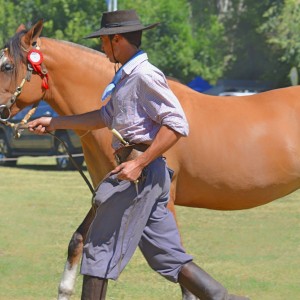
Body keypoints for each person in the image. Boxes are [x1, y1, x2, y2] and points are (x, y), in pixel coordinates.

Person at [28, 9, 249, 300]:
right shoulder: (125, 77)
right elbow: (104, 117)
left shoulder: (144, 75)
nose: (102, 47)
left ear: (117, 39)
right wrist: (56, 122)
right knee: (167, 256)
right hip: (150, 177)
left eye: (104, 41)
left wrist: (139, 164)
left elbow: (177, 124)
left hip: (137, 175)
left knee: (98, 248)